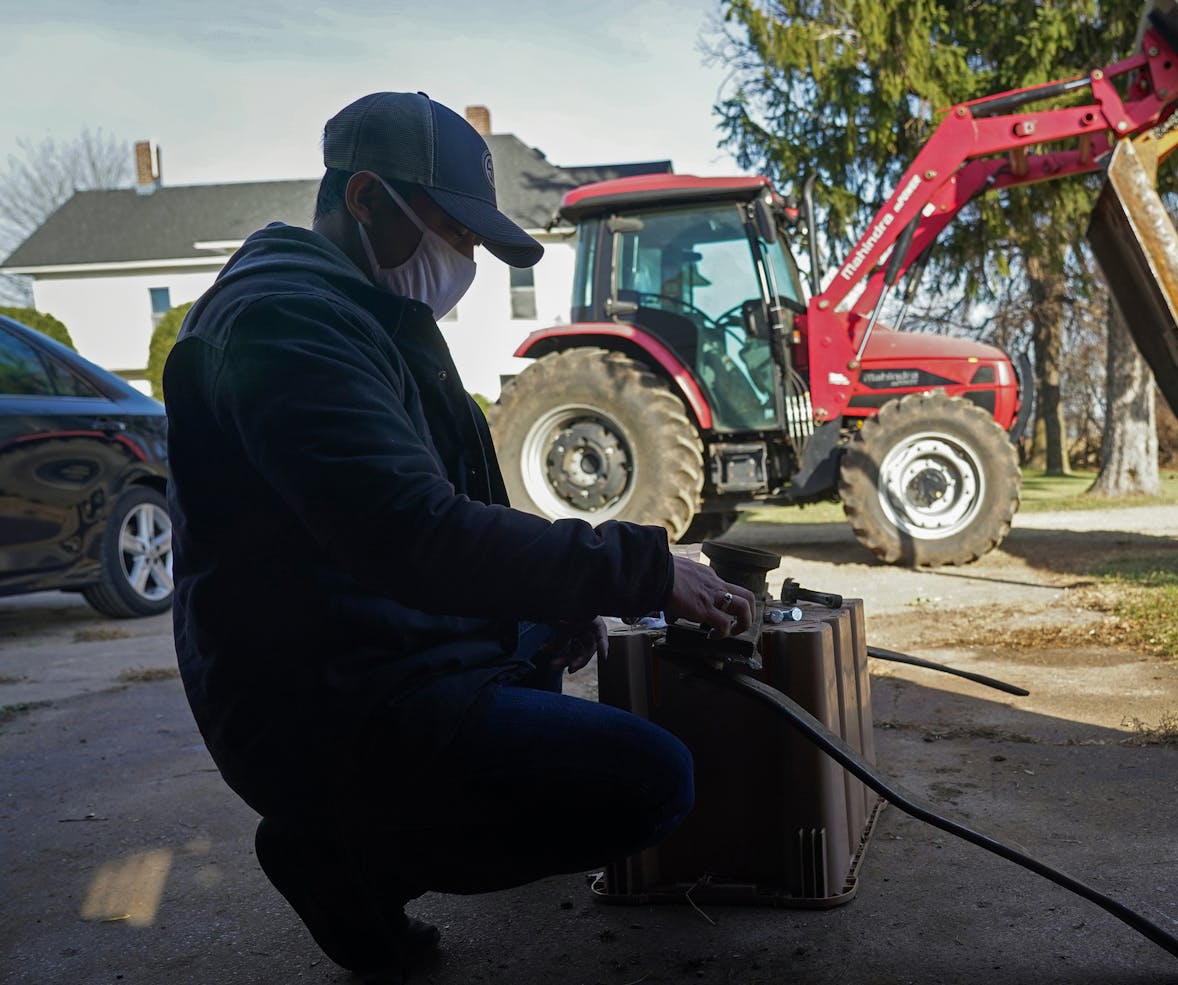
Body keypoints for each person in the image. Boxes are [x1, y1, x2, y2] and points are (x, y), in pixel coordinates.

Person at [163, 91, 755, 982]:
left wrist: (558, 590)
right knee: (652, 782)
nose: (463, 262)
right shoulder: (286, 328)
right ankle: (345, 855)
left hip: (368, 635)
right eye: (453, 233)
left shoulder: (367, 317)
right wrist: (635, 567)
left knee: (549, 624)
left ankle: (425, 805)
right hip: (319, 701)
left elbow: (450, 507)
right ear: (366, 198)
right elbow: (413, 534)